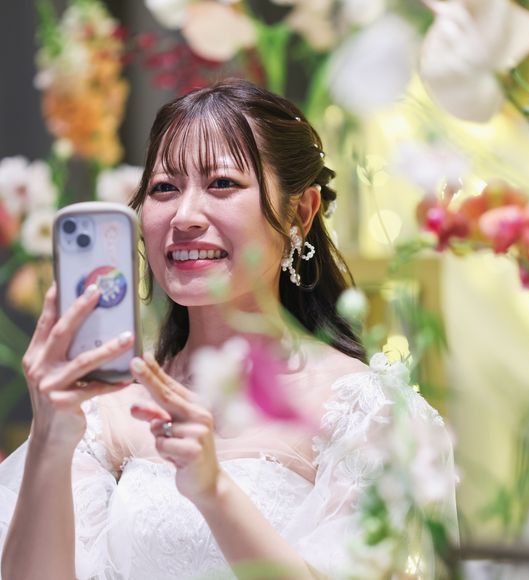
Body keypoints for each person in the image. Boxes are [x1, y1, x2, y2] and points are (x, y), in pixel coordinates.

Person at [0, 79, 456, 580]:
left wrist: (214, 491)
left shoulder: (370, 413)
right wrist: (50, 437)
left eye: (222, 183)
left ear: (300, 212)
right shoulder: (104, 410)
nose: (185, 216)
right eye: (164, 188)